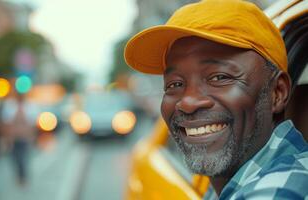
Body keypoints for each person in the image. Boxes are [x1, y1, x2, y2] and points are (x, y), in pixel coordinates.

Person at [124, 0, 308, 199]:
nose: (188, 102)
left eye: (220, 77)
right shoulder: (235, 179)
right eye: (174, 84)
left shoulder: (280, 191)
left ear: (277, 93)